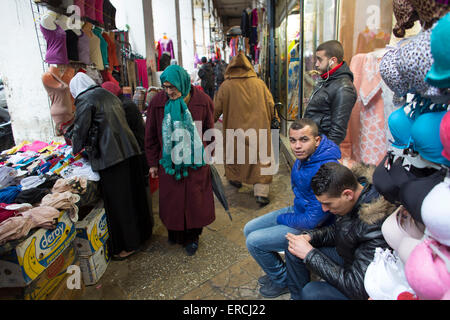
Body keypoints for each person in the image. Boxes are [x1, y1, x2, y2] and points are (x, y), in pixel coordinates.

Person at [244, 119, 341, 298]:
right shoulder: (305, 158)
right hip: (299, 210)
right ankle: (282, 273)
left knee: (254, 241)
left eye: (304, 140)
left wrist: (283, 219)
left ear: (317, 141)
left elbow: (315, 219)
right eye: (293, 140)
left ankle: (282, 281)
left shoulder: (325, 168)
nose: (297, 146)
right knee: (248, 228)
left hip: (313, 225)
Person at [67, 72, 152, 260]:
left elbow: (80, 131)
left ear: (75, 91)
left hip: (111, 158)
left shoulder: (85, 100)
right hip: (129, 151)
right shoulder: (108, 95)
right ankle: (143, 235)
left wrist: (74, 146)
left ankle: (129, 245)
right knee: (132, 197)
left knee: (119, 204)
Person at [285, 162, 396, 300]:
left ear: (347, 194)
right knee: (294, 247)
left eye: (327, 203)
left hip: (359, 282)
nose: (324, 209)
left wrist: (310, 254)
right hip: (347, 255)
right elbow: (340, 229)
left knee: (312, 292)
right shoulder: (353, 196)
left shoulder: (375, 224)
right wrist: (310, 237)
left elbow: (357, 287)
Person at [145, 65, 215, 256]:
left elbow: (210, 130)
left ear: (183, 83)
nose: (169, 92)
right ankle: (175, 233)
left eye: (172, 87)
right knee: (172, 200)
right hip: (169, 162)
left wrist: (209, 154)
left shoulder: (202, 101)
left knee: (195, 200)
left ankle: (193, 237)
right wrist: (152, 163)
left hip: (195, 163)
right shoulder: (158, 103)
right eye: (165, 87)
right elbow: (150, 134)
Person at [214, 51, 275, 206]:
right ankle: (261, 193)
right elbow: (270, 104)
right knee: (260, 159)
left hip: (235, 131)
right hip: (259, 128)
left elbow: (215, 108)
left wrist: (209, 122)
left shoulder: (226, 86)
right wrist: (273, 119)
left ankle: (235, 179)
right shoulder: (259, 84)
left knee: (236, 155)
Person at [303, 40, 357, 146]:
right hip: (313, 143)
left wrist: (324, 153)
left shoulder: (343, 88)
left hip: (320, 146)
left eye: (319, 60)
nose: (316, 64)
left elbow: (338, 131)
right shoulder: (327, 79)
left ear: (333, 61)